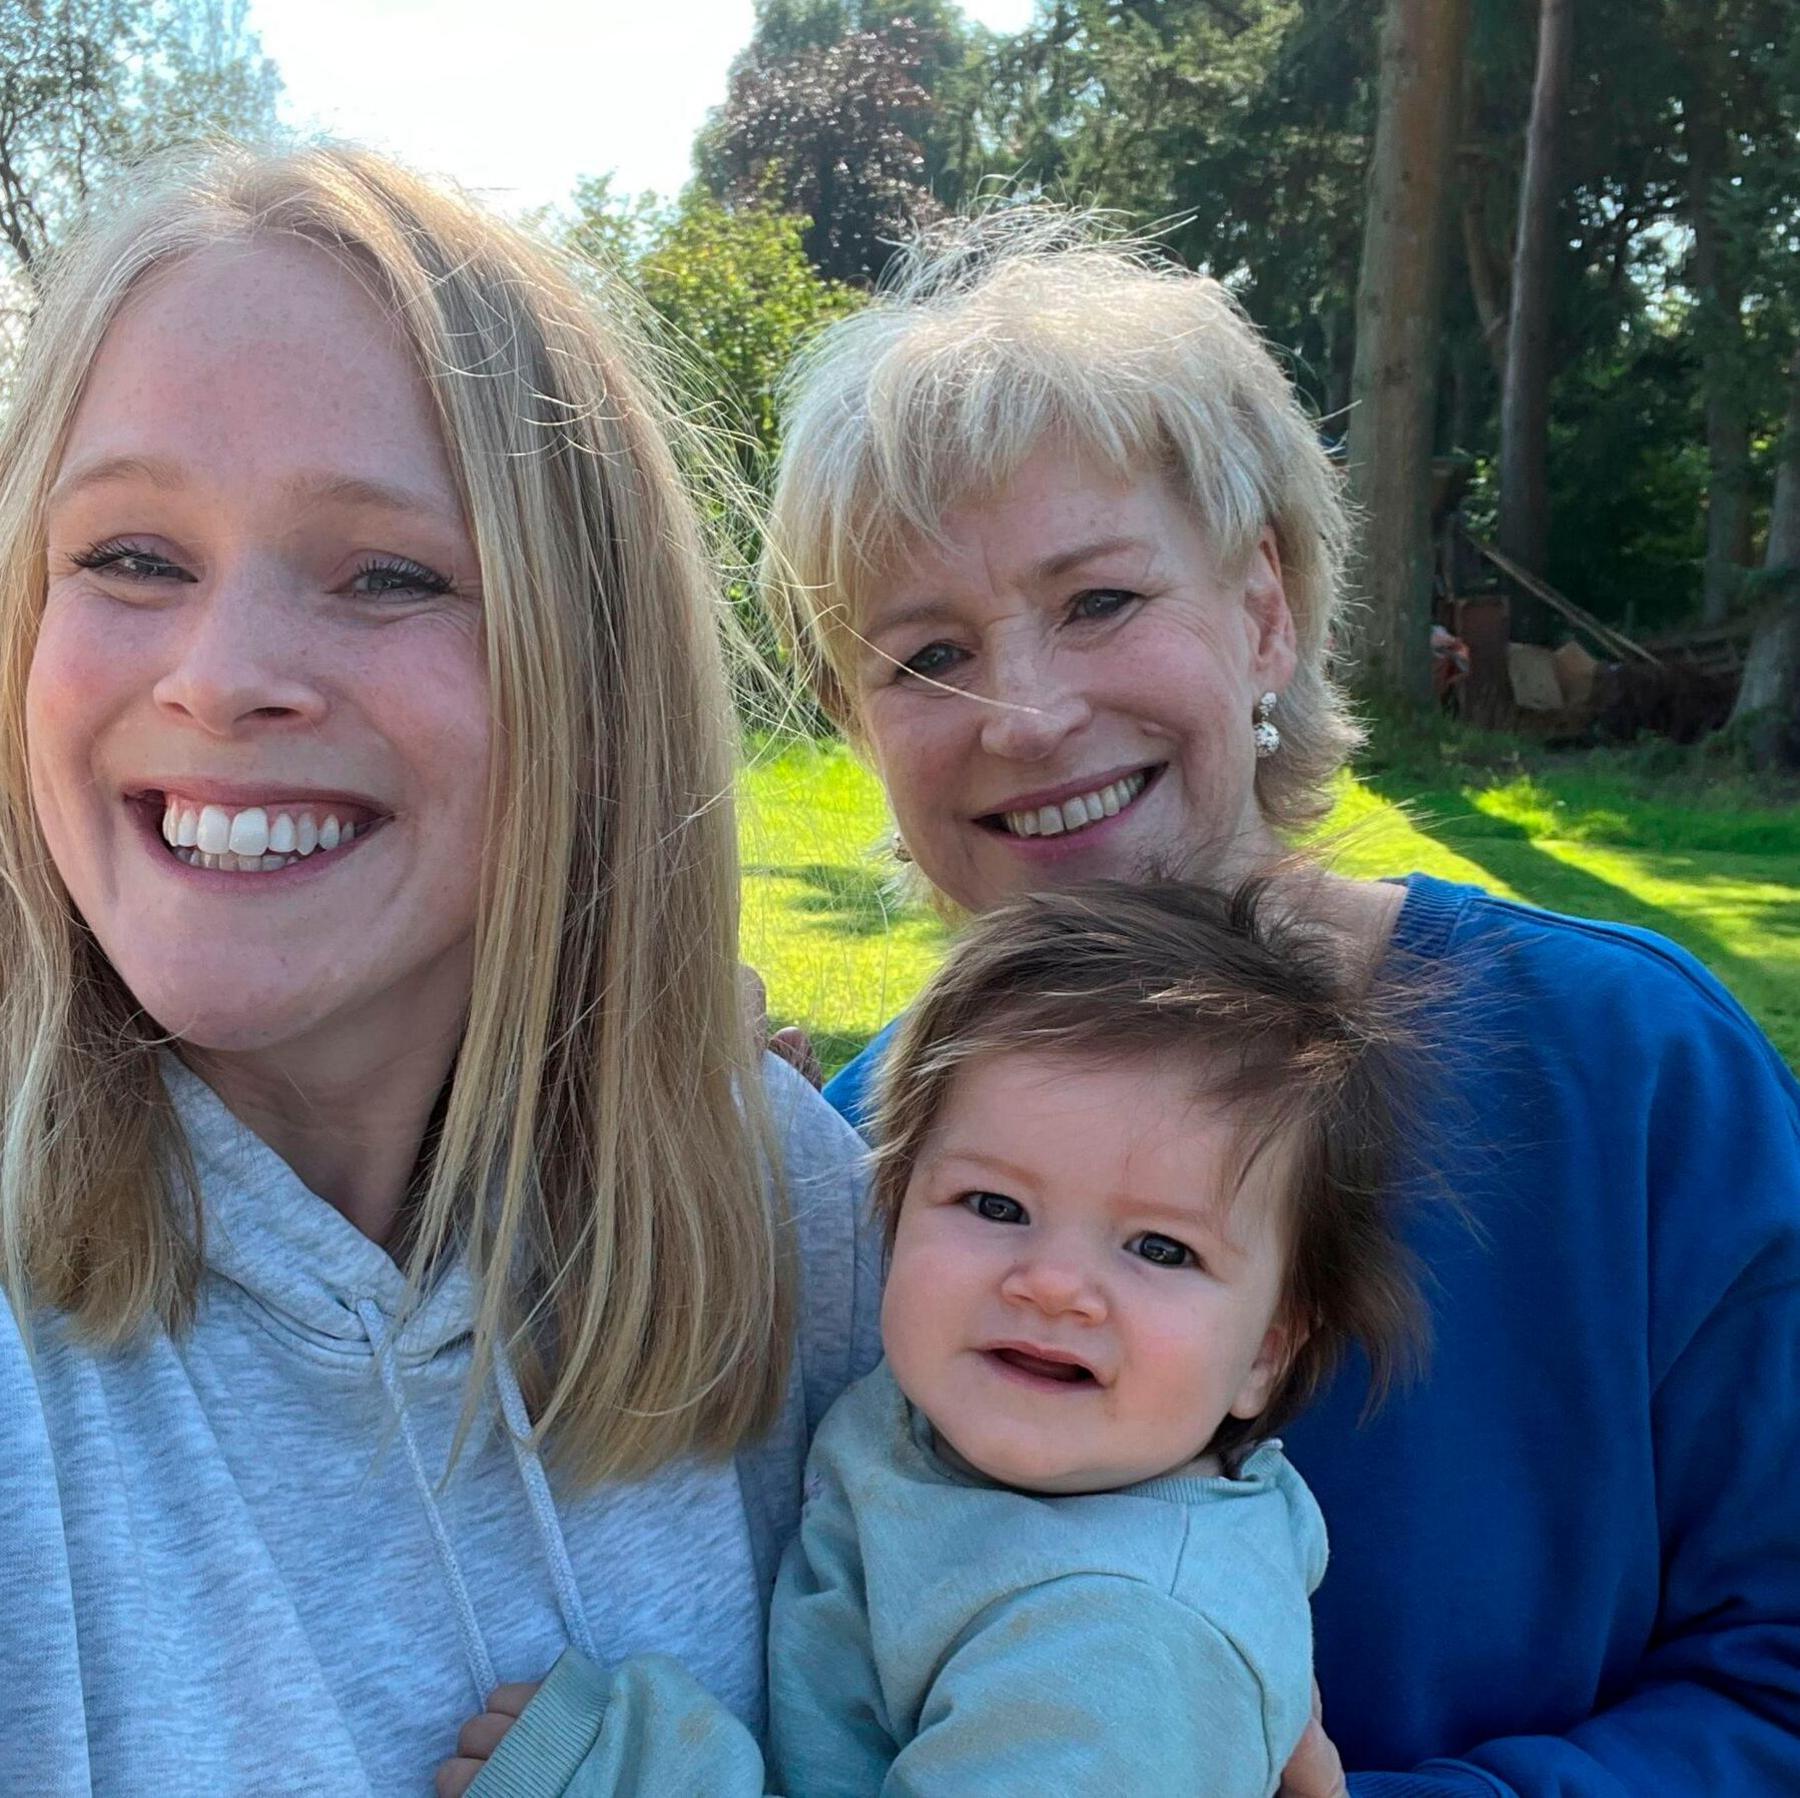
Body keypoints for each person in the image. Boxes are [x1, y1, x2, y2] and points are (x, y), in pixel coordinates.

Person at [756, 214, 1800, 1795]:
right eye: (929, 655)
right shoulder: (852, 1165)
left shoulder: (1631, 1074)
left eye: (1099, 600)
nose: (1027, 714)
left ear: (1264, 612)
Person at [0, 145, 879, 1797]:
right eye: (129, 556)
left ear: (593, 679)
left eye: (387, 571)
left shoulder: (785, 1216)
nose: (224, 674)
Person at [438, 877, 1425, 1797]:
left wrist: (633, 1771)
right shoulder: (978, 1445)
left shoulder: (1114, 1646)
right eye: (994, 1203)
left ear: (1265, 1351)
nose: (1052, 1283)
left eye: (1160, 1248)